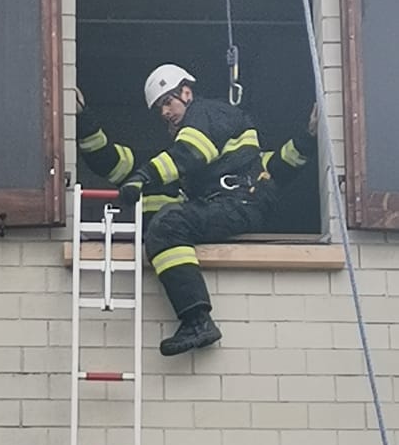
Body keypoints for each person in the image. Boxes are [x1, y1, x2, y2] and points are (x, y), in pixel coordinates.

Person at [77, 66, 318, 356]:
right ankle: (187, 301)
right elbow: (116, 164)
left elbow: (189, 153)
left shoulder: (206, 114)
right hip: (228, 202)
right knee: (162, 206)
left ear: (187, 92)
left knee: (168, 223)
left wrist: (143, 177)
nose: (164, 112)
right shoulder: (200, 143)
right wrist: (82, 121)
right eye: (159, 108)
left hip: (236, 202)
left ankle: (197, 321)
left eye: (168, 101)